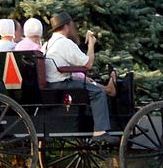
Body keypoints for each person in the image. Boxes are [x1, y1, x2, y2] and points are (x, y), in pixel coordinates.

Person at [43, 12, 118, 144]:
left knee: (88, 85)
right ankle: (100, 132)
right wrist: (91, 45)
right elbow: (87, 64)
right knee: (98, 92)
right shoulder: (64, 43)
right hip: (60, 85)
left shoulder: (47, 44)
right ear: (67, 26)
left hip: (51, 84)